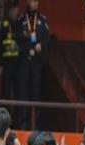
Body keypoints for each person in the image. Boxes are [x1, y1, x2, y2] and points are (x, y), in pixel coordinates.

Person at [16, 0, 49, 129]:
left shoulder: (42, 19)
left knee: (36, 92)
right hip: (24, 60)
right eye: (32, 1)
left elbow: (47, 38)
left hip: (37, 62)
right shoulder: (21, 19)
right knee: (23, 92)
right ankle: (23, 124)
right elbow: (15, 36)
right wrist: (24, 35)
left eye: (36, 1)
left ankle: (35, 124)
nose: (34, 4)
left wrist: (41, 45)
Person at [0, 0, 20, 99]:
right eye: (12, 9)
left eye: (15, 9)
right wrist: (0, 64)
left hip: (18, 62)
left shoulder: (19, 22)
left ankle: (17, 109)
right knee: (6, 88)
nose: (13, 11)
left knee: (18, 88)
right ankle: (5, 108)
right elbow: (0, 44)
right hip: (6, 62)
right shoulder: (4, 23)